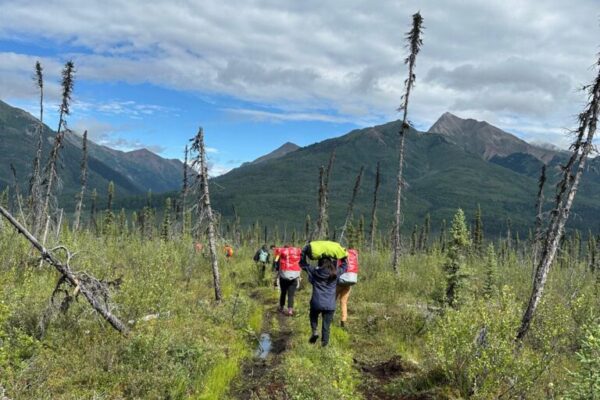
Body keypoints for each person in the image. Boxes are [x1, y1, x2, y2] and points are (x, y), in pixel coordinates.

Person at [300, 244, 347, 347]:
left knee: (313, 315)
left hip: (316, 302)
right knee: (326, 327)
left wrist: (303, 252)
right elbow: (344, 266)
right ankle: (324, 346)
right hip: (330, 305)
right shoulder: (335, 273)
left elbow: (302, 264)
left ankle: (314, 331)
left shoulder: (315, 271)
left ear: (319, 263)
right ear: (331, 263)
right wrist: (343, 255)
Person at [275, 245, 301, 316]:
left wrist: (276, 275)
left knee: (283, 293)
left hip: (283, 277)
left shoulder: (280, 255)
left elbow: (276, 264)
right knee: (291, 295)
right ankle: (290, 310)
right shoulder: (295, 257)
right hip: (294, 278)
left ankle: (282, 307)